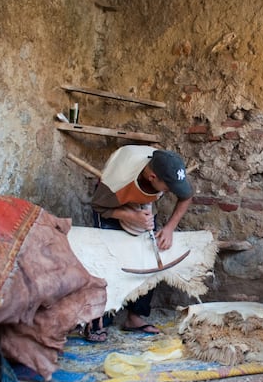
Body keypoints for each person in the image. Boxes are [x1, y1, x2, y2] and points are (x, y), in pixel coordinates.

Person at [82, 145, 194, 342]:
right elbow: (98, 207)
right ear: (152, 177)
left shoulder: (166, 169)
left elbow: (186, 197)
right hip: (111, 205)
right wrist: (129, 215)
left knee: (149, 255)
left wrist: (169, 228)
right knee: (108, 262)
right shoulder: (116, 183)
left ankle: (134, 318)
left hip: (141, 202)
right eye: (168, 187)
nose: (171, 191)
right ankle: (99, 321)